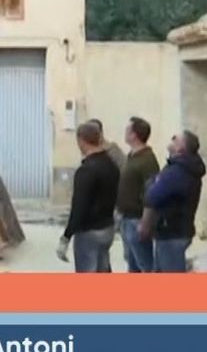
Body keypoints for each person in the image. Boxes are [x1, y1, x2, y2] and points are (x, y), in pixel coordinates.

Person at [139, 130, 207, 273]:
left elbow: (153, 195)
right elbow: (152, 184)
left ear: (181, 148)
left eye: (176, 139)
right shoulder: (178, 168)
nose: (172, 139)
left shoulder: (178, 171)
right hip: (173, 231)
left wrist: (154, 184)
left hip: (172, 232)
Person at [58, 122, 119, 273]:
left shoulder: (86, 171)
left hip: (89, 231)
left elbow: (79, 207)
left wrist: (66, 237)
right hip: (107, 227)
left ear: (81, 140)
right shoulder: (112, 165)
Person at [115, 117, 162, 273]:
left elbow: (152, 191)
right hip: (126, 218)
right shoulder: (132, 156)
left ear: (134, 135)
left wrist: (146, 221)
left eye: (127, 130)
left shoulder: (147, 159)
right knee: (132, 263)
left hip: (137, 219)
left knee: (145, 264)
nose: (125, 133)